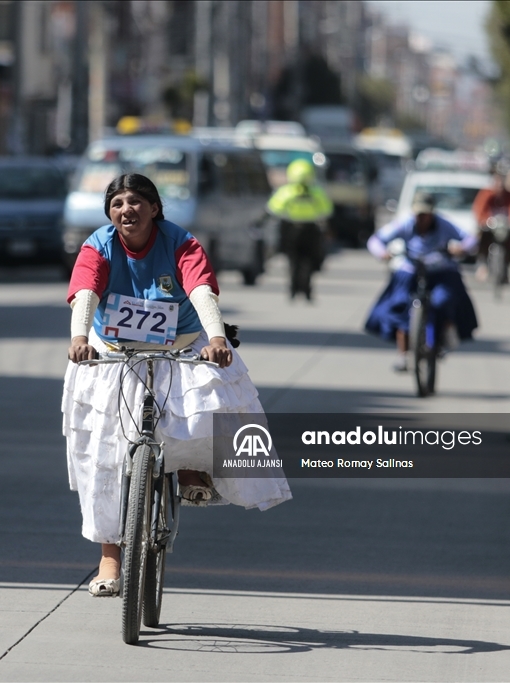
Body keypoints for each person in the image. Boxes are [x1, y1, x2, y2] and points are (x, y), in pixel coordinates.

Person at [64, 173, 292, 597]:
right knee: (106, 453)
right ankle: (110, 557)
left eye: (135, 202)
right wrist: (79, 339)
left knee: (212, 400)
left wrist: (218, 338)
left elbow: (202, 288)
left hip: (185, 343)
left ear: (154, 208)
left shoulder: (181, 242)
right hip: (114, 349)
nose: (126, 210)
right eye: (117, 204)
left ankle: (191, 467)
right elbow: (84, 292)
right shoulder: (99, 244)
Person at [365, 193, 479, 372]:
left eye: (425, 214)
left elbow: (471, 239)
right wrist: (382, 253)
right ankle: (403, 354)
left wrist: (461, 248)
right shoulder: (404, 224)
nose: (422, 218)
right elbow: (376, 240)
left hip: (441, 271)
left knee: (444, 300)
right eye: (419, 214)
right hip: (411, 271)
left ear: (432, 213)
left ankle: (445, 335)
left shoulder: (444, 224)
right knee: (400, 306)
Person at [267, 159, 334, 300]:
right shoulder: (317, 191)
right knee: (310, 260)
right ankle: (306, 289)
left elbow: (274, 209)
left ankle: (293, 288)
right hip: (311, 231)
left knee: (293, 260)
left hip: (291, 230)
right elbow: (327, 211)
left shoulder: (286, 191)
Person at [471, 171, 510, 282]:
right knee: (481, 238)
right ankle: (482, 265)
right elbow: (479, 209)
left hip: (504, 227)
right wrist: (483, 221)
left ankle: (507, 265)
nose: (499, 187)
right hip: (489, 226)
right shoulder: (486, 194)